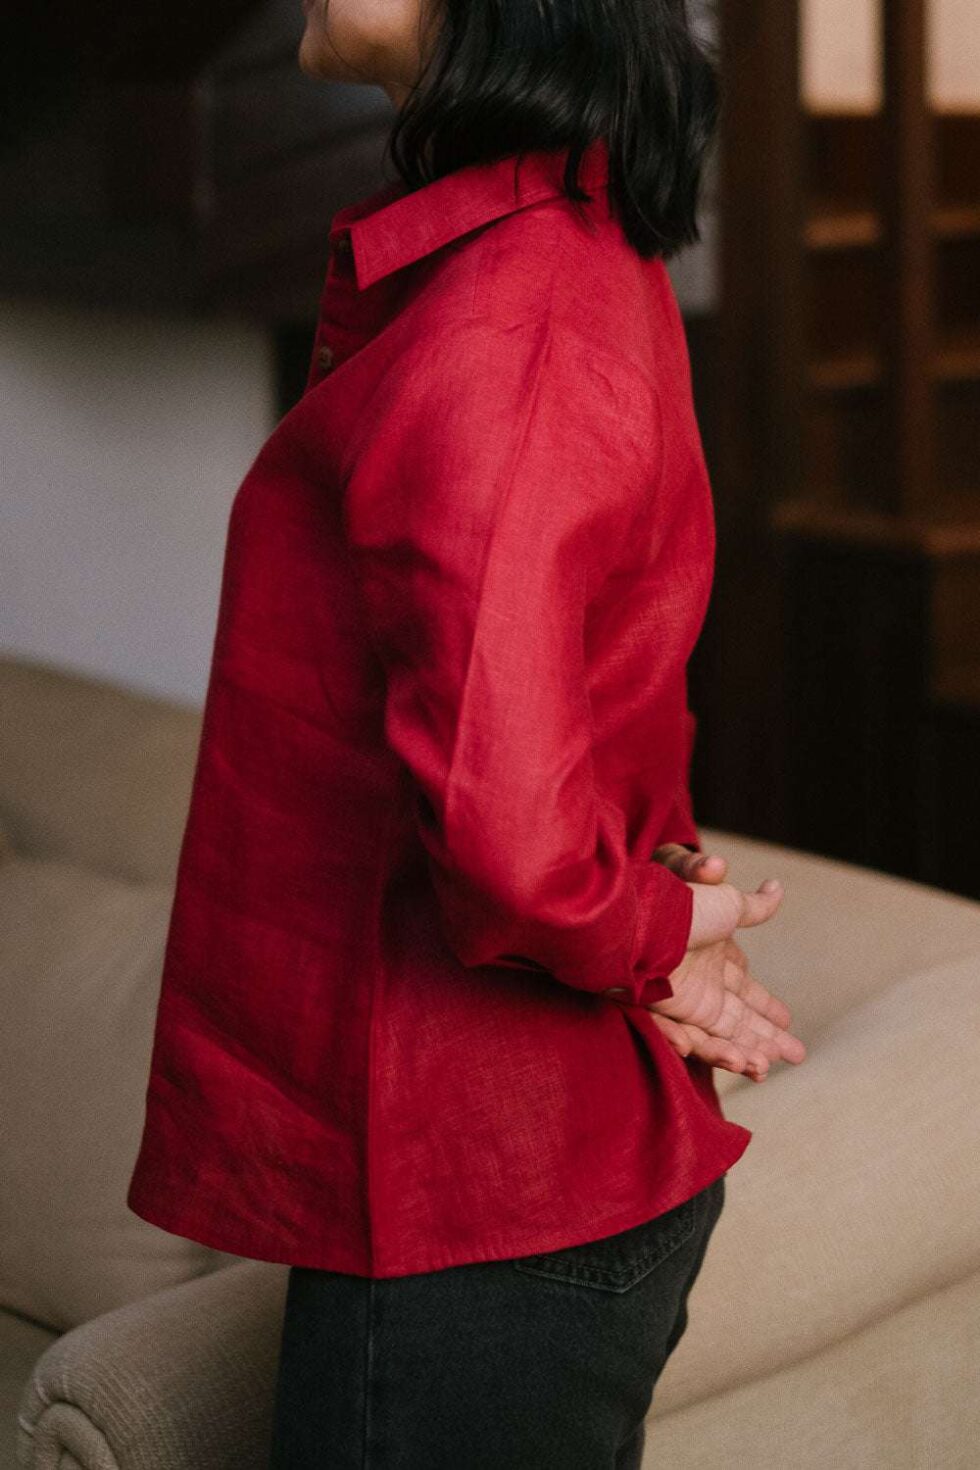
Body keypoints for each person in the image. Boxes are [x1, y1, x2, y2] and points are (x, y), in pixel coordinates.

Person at [126, 0, 807, 1464]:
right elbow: (567, 713)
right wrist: (652, 929)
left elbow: (511, 839)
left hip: (480, 1203)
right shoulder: (542, 262)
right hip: (492, 1182)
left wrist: (647, 926)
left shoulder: (514, 319)